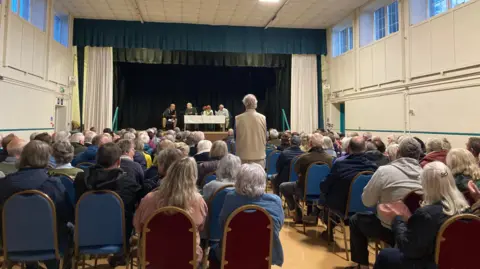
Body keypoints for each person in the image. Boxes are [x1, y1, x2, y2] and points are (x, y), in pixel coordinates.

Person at [373, 162, 470, 269]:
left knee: (385, 255)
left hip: (430, 263)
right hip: (459, 262)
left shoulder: (426, 213)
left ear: (427, 185)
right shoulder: (465, 208)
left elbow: (410, 249)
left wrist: (396, 219)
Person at [347, 137, 424, 269]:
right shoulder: (426, 174)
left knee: (355, 220)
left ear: (398, 152)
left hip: (388, 228)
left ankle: (362, 265)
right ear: (419, 154)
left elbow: (367, 201)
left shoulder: (384, 171)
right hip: (417, 231)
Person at [0, 140, 74, 269]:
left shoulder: (5, 183)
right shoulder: (53, 184)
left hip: (12, 241)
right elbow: (67, 214)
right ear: (46, 158)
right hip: (49, 242)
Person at [74, 142, 141, 266]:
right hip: (118, 237)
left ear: (96, 160)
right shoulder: (128, 183)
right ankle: (120, 257)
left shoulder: (81, 179)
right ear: (118, 162)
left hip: (85, 235)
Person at [134, 157, 208, 266]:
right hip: (187, 258)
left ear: (169, 174)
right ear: (194, 178)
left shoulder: (149, 198)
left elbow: (137, 226)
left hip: (152, 255)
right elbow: (201, 227)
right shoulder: (198, 201)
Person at [209, 163, 284, 267]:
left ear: (239, 181)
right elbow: (278, 226)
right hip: (263, 254)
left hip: (232, 253)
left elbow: (223, 224)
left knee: (212, 252)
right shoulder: (275, 201)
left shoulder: (230, 198)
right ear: (263, 181)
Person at [320, 136, 377, 240]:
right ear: (365, 149)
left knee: (325, 197)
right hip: (368, 207)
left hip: (344, 207)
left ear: (349, 148)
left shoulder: (340, 164)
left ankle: (329, 231)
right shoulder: (373, 167)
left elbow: (326, 184)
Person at [279, 133, 333, 223]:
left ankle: (297, 212)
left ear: (310, 143)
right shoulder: (330, 159)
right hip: (323, 192)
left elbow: (296, 171)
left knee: (283, 186)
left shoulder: (304, 157)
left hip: (303, 190)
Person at [235, 94, 267, 167]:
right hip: (259, 157)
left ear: (244, 104)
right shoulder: (263, 118)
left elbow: (235, 137)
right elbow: (265, 136)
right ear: (256, 104)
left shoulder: (238, 118)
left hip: (242, 157)